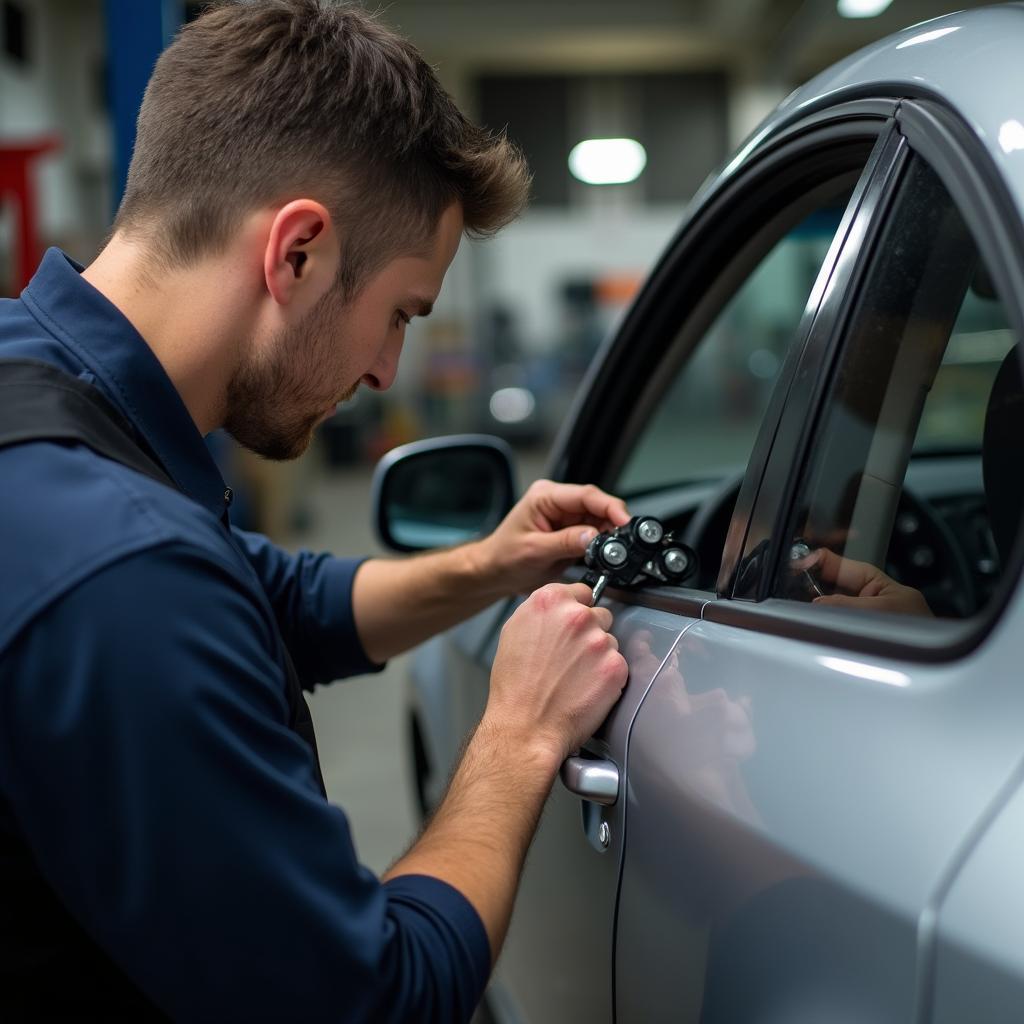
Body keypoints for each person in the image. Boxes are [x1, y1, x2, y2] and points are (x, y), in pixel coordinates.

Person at [0, 2, 631, 1020]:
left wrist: (494, 563)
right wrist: (515, 733)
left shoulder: (42, 397)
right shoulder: (120, 575)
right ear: (296, 252)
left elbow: (272, 596)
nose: (387, 369)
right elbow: (367, 1001)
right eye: (399, 313)